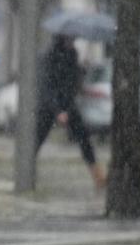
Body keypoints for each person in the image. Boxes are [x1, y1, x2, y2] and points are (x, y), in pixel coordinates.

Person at [35, 34, 106, 190]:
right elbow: (47, 86)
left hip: (68, 104)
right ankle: (27, 172)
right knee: (37, 139)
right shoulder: (50, 56)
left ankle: (97, 175)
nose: (72, 41)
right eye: (69, 38)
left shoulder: (72, 54)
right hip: (49, 106)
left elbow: (71, 83)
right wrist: (58, 110)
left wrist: (82, 70)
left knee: (84, 138)